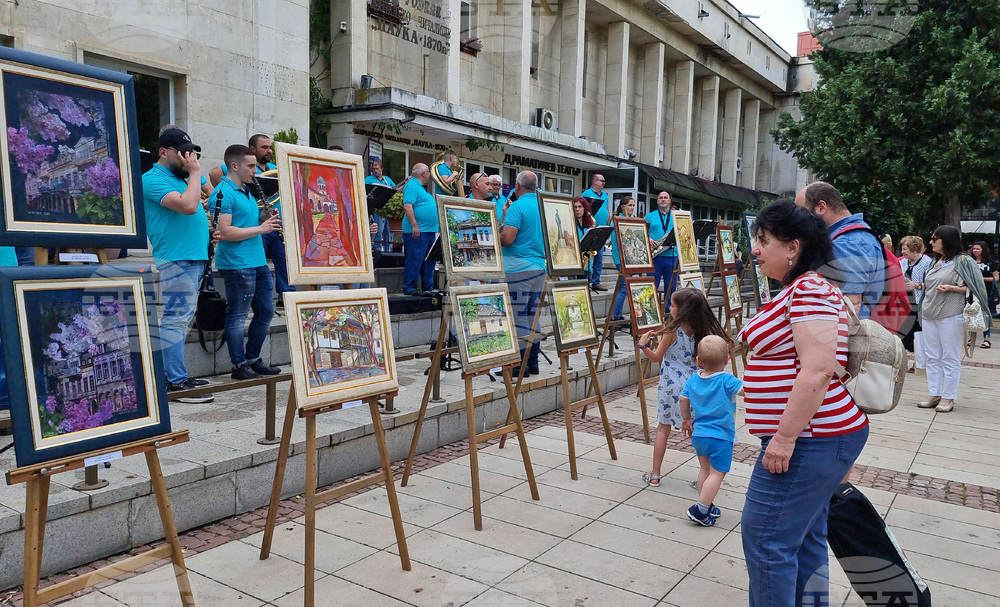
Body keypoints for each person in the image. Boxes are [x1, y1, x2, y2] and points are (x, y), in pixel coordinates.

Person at [738, 198, 869, 606]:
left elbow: (817, 369)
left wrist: (783, 438)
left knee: (766, 541)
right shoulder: (803, 288)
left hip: (810, 440)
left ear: (792, 247)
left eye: (763, 240)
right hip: (819, 437)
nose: (754, 249)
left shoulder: (809, 289)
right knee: (805, 539)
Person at [142, 127, 214, 404]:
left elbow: (212, 195)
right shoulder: (152, 179)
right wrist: (195, 174)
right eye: (183, 152)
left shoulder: (182, 177)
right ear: (163, 152)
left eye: (192, 152)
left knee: (182, 318)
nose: (189, 157)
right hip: (176, 257)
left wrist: (197, 175)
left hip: (193, 255)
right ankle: (175, 382)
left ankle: (173, 376)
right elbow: (187, 206)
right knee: (175, 317)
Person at [636, 288, 728, 487]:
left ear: (683, 310)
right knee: (697, 430)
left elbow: (656, 358)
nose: (670, 308)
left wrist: (643, 346)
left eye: (673, 305)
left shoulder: (671, 331)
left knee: (663, 428)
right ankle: (706, 476)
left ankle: (655, 474)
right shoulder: (703, 329)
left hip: (670, 386)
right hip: (695, 386)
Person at [213, 144, 283, 380]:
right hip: (237, 263)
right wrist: (262, 228)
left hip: (257, 261)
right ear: (234, 166)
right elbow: (224, 232)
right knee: (238, 315)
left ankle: (253, 358)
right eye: (251, 166)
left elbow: (248, 222)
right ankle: (239, 365)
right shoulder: (223, 193)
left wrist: (264, 217)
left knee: (266, 311)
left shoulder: (247, 191)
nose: (256, 171)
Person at [917, 226, 989, 413]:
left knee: (950, 356)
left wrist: (952, 288)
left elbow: (977, 288)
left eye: (935, 238)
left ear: (946, 240)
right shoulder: (935, 262)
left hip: (952, 314)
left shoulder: (964, 261)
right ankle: (934, 392)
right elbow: (929, 287)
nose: (931, 242)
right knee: (932, 356)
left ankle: (948, 396)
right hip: (929, 313)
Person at [795, 181, 883, 318]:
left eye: (803, 213)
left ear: (821, 207)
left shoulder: (847, 243)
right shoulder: (857, 235)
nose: (800, 221)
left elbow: (850, 311)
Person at [680, 335, 743, 526]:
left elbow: (683, 399)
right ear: (726, 360)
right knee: (717, 474)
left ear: (698, 361)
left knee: (705, 470)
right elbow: (746, 391)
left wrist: (686, 419)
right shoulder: (726, 380)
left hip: (699, 434)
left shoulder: (693, 379)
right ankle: (700, 510)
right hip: (721, 436)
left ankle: (707, 504)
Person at [499, 171, 547, 375]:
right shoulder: (543, 205)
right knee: (531, 317)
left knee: (518, 317)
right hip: (539, 267)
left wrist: (498, 231)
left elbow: (507, 239)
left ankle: (520, 365)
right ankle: (533, 361)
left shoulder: (518, 206)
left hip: (518, 268)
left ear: (517, 187)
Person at [401, 163, 438, 295]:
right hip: (418, 231)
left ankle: (427, 287)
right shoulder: (412, 186)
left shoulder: (420, 187)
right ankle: (410, 287)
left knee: (429, 260)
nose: (429, 174)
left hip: (428, 230)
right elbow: (407, 206)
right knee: (415, 259)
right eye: (428, 171)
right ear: (424, 174)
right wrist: (414, 225)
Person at [899, 236, 932, 369]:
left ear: (914, 249)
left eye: (905, 248)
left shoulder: (927, 262)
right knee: (904, 332)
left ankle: (920, 363)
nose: (903, 251)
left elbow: (932, 283)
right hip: (905, 302)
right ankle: (906, 360)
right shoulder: (903, 262)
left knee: (918, 331)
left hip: (920, 302)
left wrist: (917, 285)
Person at [645, 191, 679, 299]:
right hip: (655, 257)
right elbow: (640, 232)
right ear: (657, 201)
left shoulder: (677, 217)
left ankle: (669, 312)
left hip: (672, 256)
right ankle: (652, 313)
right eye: (660, 197)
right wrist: (648, 239)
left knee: (671, 288)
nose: (663, 199)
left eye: (665, 197)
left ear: (669, 201)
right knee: (651, 287)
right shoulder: (649, 216)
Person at [609, 197, 637, 322]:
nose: (632, 208)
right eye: (630, 205)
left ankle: (617, 314)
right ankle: (615, 315)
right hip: (621, 259)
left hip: (630, 259)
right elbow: (618, 241)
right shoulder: (617, 220)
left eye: (633, 205)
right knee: (625, 288)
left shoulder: (631, 220)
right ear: (623, 206)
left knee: (622, 287)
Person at [581, 174, 610, 291]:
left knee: (599, 257)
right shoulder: (586, 194)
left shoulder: (605, 195)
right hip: (590, 229)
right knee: (588, 255)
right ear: (594, 181)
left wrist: (608, 225)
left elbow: (607, 210)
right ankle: (586, 279)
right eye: (601, 181)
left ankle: (596, 281)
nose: (603, 183)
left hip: (602, 229)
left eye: (604, 181)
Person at [365, 159, 399, 252]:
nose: (375, 171)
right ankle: (377, 251)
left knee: (389, 232)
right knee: (378, 231)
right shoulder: (368, 179)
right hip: (376, 209)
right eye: (373, 169)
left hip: (387, 209)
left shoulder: (387, 179)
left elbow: (395, 190)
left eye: (377, 169)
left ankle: (389, 252)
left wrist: (405, 183)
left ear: (381, 169)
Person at [970, 241, 999, 347]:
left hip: (985, 292)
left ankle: (986, 339)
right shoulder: (970, 262)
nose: (975, 251)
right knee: (971, 314)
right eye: (974, 249)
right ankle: (971, 338)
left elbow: (996, 278)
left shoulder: (991, 263)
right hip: (971, 292)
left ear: (983, 249)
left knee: (985, 315)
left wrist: (982, 279)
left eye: (978, 248)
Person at [573, 197, 595, 284]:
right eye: (575, 207)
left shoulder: (589, 224)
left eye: (580, 207)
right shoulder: (570, 223)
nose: (577, 209)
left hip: (586, 264)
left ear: (585, 208)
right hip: (574, 262)